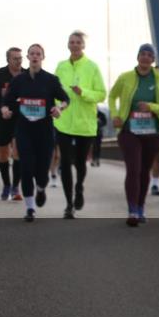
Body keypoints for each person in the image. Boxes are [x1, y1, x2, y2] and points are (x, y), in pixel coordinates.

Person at [1, 44, 69, 222]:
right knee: (26, 167)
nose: (35, 56)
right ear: (28, 57)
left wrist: (59, 108)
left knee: (41, 171)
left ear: (43, 57)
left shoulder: (51, 80)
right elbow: (6, 100)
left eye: (38, 54)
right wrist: (5, 110)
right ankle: (30, 208)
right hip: (24, 130)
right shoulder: (19, 80)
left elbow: (65, 99)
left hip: (45, 131)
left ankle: (40, 188)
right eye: (31, 54)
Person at [109, 44, 159, 226]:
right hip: (129, 130)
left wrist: (151, 107)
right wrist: (115, 116)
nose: (145, 57)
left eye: (149, 55)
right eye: (142, 54)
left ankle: (141, 206)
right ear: (137, 57)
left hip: (152, 132)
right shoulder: (126, 77)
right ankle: (132, 210)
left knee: (145, 171)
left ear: (153, 60)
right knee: (134, 169)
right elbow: (112, 97)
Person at [53, 31, 107, 219]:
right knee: (65, 163)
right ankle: (69, 204)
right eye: (72, 42)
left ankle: (79, 188)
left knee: (80, 164)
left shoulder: (92, 67)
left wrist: (82, 92)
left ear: (83, 46)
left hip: (85, 124)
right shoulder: (61, 67)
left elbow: (101, 94)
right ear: (68, 45)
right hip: (64, 123)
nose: (75, 45)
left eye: (78, 42)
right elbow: (53, 91)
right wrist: (55, 108)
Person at [0, 48, 25, 200]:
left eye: (20, 58)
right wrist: (0, 96)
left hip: (21, 118)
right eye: (15, 58)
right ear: (8, 59)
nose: (18, 61)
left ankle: (15, 187)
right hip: (2, 119)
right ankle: (7, 184)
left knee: (18, 151)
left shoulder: (26, 74)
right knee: (3, 154)